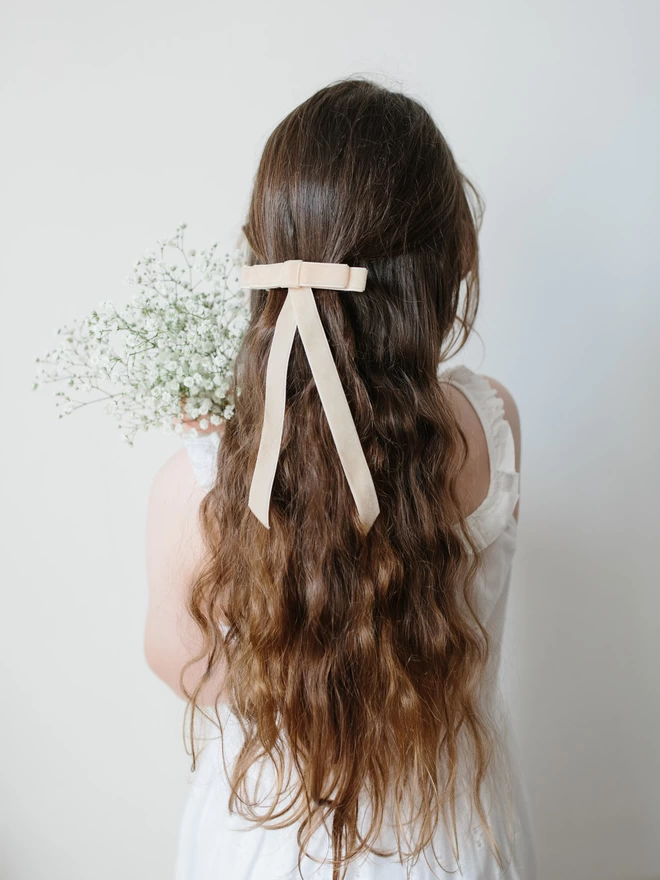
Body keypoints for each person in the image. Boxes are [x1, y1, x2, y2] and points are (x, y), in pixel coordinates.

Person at [144, 77, 537, 880]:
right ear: (445, 266)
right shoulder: (493, 423)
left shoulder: (202, 483)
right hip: (451, 831)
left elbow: (175, 656)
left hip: (265, 837)